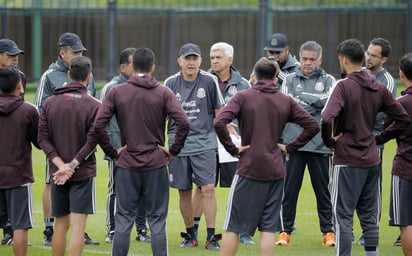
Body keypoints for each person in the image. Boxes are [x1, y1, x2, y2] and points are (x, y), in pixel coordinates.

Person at [214, 57, 319, 256]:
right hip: (275, 169)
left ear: (254, 76)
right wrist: (290, 147)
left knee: (232, 226)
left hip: (249, 167)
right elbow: (313, 126)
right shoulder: (285, 100)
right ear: (276, 78)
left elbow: (220, 122)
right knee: (269, 229)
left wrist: (233, 150)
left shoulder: (243, 97)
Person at [94, 47, 190, 256]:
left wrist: (113, 152)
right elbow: (183, 123)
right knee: (156, 220)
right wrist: (172, 151)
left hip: (127, 163)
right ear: (153, 68)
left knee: (123, 221)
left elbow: (98, 125)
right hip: (156, 163)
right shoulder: (163, 92)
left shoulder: (117, 92)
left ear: (132, 66)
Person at [321, 38, 410, 256]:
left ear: (343, 60)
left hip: (347, 159)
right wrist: (378, 139)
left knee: (342, 215)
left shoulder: (342, 86)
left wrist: (331, 142)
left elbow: (326, 118)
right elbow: (403, 118)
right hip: (371, 159)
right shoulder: (379, 87)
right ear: (362, 59)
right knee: (370, 217)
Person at [38, 56, 119, 256]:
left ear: (68, 75)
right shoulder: (95, 105)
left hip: (58, 174)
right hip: (82, 173)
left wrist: (60, 166)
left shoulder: (50, 104)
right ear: (89, 77)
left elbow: (42, 139)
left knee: (60, 226)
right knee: (77, 228)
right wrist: (72, 165)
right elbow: (93, 140)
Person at [34, 32, 98, 246]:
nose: (79, 54)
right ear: (62, 53)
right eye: (75, 51)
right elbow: (39, 109)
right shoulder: (49, 76)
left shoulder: (88, 73)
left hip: (81, 142)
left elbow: (93, 106)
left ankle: (78, 230)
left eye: (81, 51)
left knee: (80, 185)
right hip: (56, 144)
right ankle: (49, 227)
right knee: (51, 182)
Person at [164, 43, 225, 250]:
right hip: (178, 144)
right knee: (183, 191)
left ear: (200, 61)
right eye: (187, 59)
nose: (191, 63)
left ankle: (211, 236)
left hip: (205, 142)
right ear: (179, 61)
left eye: (195, 59)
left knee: (208, 188)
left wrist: (225, 135)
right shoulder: (170, 83)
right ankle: (190, 234)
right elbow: (161, 115)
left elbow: (219, 110)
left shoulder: (209, 80)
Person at [191, 42, 253, 245]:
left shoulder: (243, 84)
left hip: (233, 143)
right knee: (202, 187)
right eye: (212, 57)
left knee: (240, 185)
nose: (214, 61)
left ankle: (242, 231)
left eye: (219, 57)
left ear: (230, 59)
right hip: (206, 141)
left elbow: (250, 115)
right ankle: (194, 230)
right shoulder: (202, 80)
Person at [276, 41, 336, 247]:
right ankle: (285, 231)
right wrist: (314, 104)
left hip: (320, 144)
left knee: (323, 191)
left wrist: (302, 99)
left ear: (320, 60)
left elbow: (329, 103)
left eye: (312, 59)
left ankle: (328, 232)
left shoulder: (329, 80)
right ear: (299, 58)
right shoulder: (289, 79)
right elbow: (288, 105)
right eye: (304, 59)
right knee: (290, 190)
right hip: (294, 144)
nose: (308, 63)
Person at [100, 47, 151, 244]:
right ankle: (112, 230)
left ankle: (141, 230)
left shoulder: (144, 86)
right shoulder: (111, 88)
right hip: (119, 150)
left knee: (143, 191)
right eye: (133, 64)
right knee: (116, 190)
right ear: (123, 67)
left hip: (142, 148)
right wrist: (112, 149)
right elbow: (101, 122)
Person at [360, 37, 398, 247]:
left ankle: (370, 231)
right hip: (353, 140)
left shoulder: (387, 82)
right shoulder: (360, 74)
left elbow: (383, 114)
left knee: (372, 188)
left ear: (383, 59)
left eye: (374, 55)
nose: (369, 58)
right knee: (352, 187)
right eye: (368, 53)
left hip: (374, 141)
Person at [0, 66, 39, 256]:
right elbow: (40, 141)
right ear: (19, 86)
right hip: (19, 175)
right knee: (20, 226)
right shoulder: (28, 111)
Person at [376, 52, 412, 256]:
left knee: (406, 222)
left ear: (401, 74)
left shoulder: (401, 103)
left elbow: (386, 129)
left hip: (405, 169)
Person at [0, 38, 26, 246]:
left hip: (14, 142)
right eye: (10, 54)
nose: (15, 58)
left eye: (16, 54)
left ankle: (9, 231)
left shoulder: (21, 78)